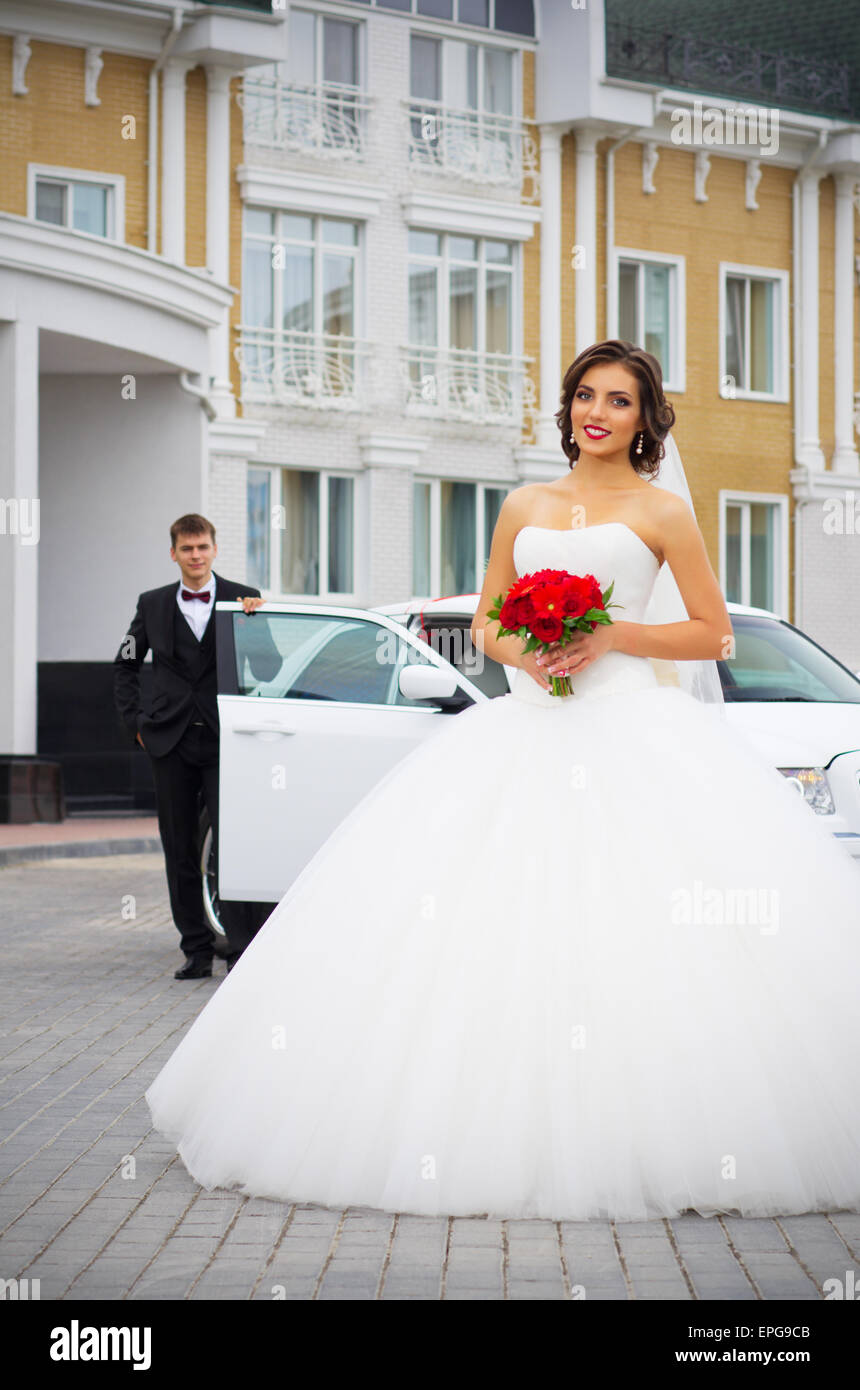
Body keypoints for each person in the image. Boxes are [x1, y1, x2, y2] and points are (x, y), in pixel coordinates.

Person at [144, 344, 860, 1221]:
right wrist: (532, 651)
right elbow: (486, 621)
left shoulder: (664, 512)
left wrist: (607, 639)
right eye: (586, 395)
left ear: (646, 419)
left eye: (621, 400)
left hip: (634, 727)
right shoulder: (524, 504)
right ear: (568, 409)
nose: (599, 411)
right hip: (527, 724)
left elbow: (712, 634)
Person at [113, 514, 281, 979]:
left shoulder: (241, 597)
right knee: (180, 846)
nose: (195, 555)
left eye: (202, 547)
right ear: (174, 554)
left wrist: (258, 622)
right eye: (186, 549)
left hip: (229, 739)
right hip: (169, 741)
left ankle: (242, 947)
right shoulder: (151, 605)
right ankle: (196, 948)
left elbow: (269, 670)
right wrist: (136, 725)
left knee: (235, 843)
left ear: (214, 549)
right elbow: (125, 665)